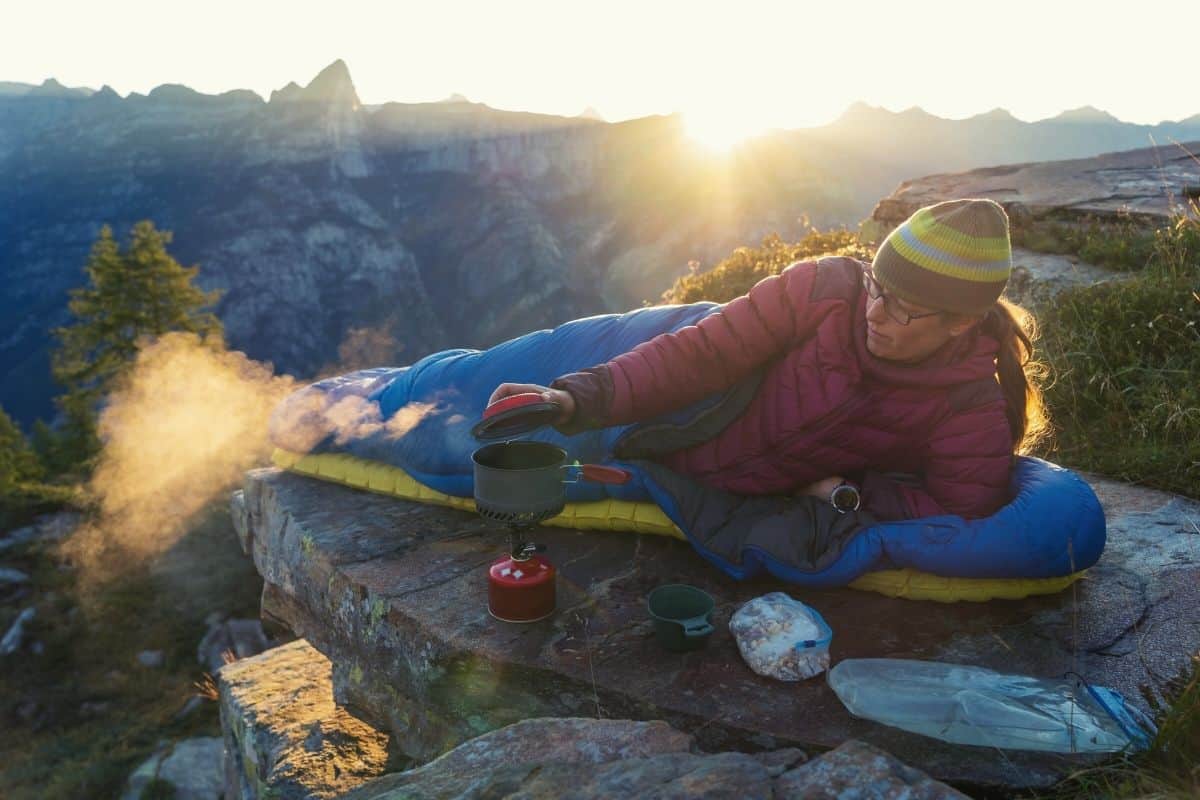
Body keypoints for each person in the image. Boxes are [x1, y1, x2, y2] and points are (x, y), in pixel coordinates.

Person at [488, 198, 1049, 521]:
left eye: (905, 311)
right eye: (877, 288)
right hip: (642, 383)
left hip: (678, 468)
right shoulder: (826, 290)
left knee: (508, 481)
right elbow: (701, 353)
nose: (874, 314)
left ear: (962, 323)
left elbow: (965, 506)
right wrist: (574, 397)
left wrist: (843, 495)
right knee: (470, 408)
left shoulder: (965, 401)